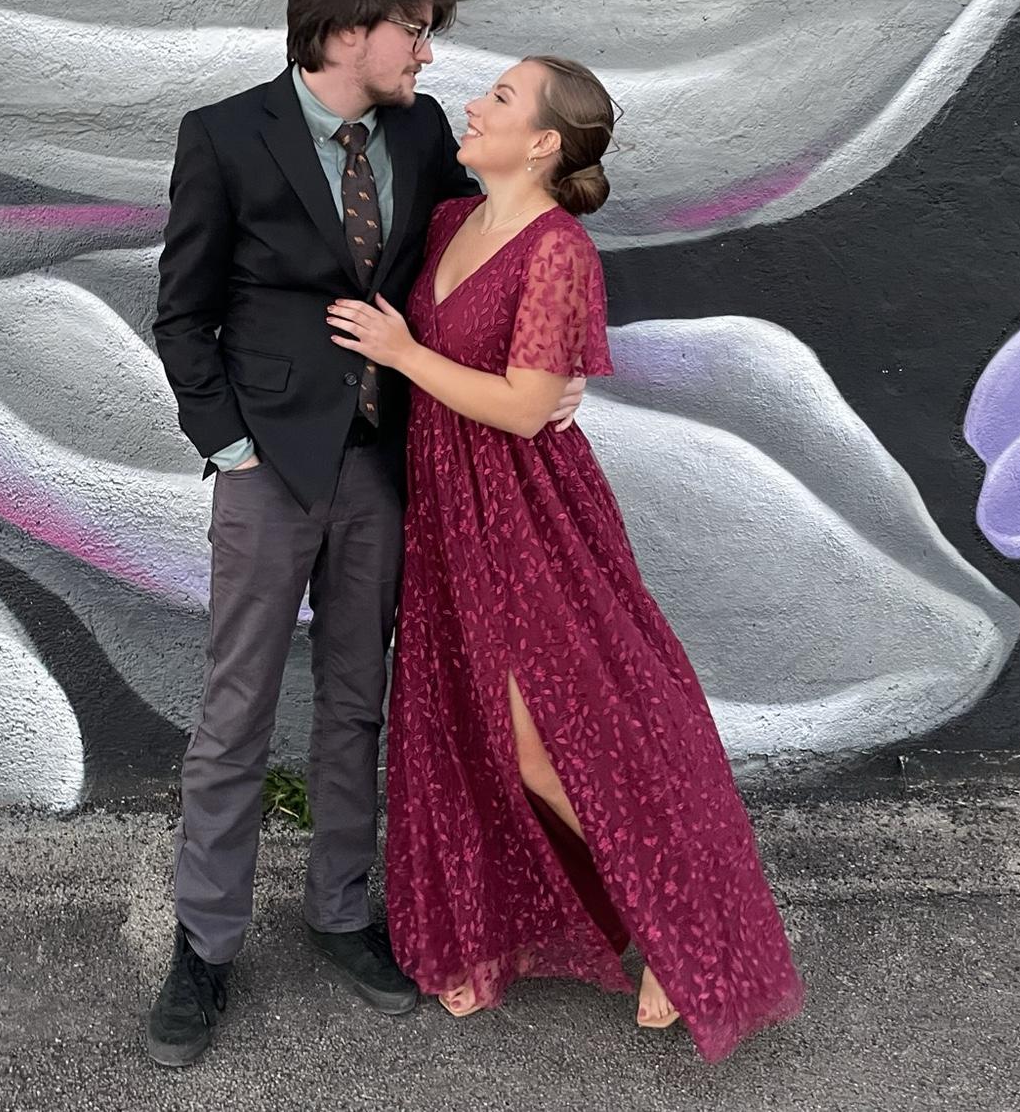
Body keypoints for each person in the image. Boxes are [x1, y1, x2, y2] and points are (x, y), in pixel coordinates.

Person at [148, 0, 587, 1067]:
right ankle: (204, 945)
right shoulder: (226, 136)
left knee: (357, 703)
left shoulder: (422, 131)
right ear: (350, 32)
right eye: (415, 30)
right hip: (267, 471)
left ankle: (343, 914)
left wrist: (554, 363)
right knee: (236, 712)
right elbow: (183, 313)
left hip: (387, 467)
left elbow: (494, 246)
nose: (428, 54)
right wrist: (229, 447)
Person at [327, 54, 805, 1063]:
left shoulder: (559, 251)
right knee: (462, 722)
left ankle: (682, 926)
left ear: (543, 141)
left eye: (499, 97)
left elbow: (525, 406)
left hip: (528, 515)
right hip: (447, 512)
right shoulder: (451, 222)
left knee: (542, 739)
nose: (473, 101)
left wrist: (403, 352)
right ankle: (485, 934)